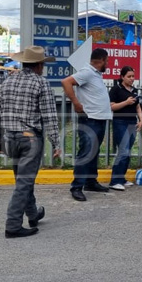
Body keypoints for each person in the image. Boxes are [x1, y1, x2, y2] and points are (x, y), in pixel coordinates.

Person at [0, 45, 61, 238]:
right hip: (29, 138)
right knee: (23, 183)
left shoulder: (8, 81)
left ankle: (33, 214)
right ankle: (12, 225)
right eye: (43, 65)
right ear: (39, 65)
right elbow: (49, 116)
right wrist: (56, 142)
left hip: (8, 137)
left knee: (23, 179)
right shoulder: (41, 83)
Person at [62, 48, 113, 202]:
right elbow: (66, 82)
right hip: (90, 120)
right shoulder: (88, 72)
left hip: (98, 119)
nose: (108, 64)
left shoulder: (96, 74)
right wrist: (76, 103)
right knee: (85, 153)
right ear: (102, 60)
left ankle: (91, 182)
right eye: (107, 61)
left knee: (94, 152)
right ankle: (77, 187)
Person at [108, 66, 142, 191]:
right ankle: (114, 180)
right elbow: (111, 106)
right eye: (129, 76)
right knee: (123, 150)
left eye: (133, 76)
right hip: (120, 122)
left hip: (132, 122)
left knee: (128, 151)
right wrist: (125, 103)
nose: (131, 79)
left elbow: (138, 106)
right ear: (122, 77)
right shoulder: (116, 89)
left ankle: (121, 178)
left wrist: (141, 120)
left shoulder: (134, 90)